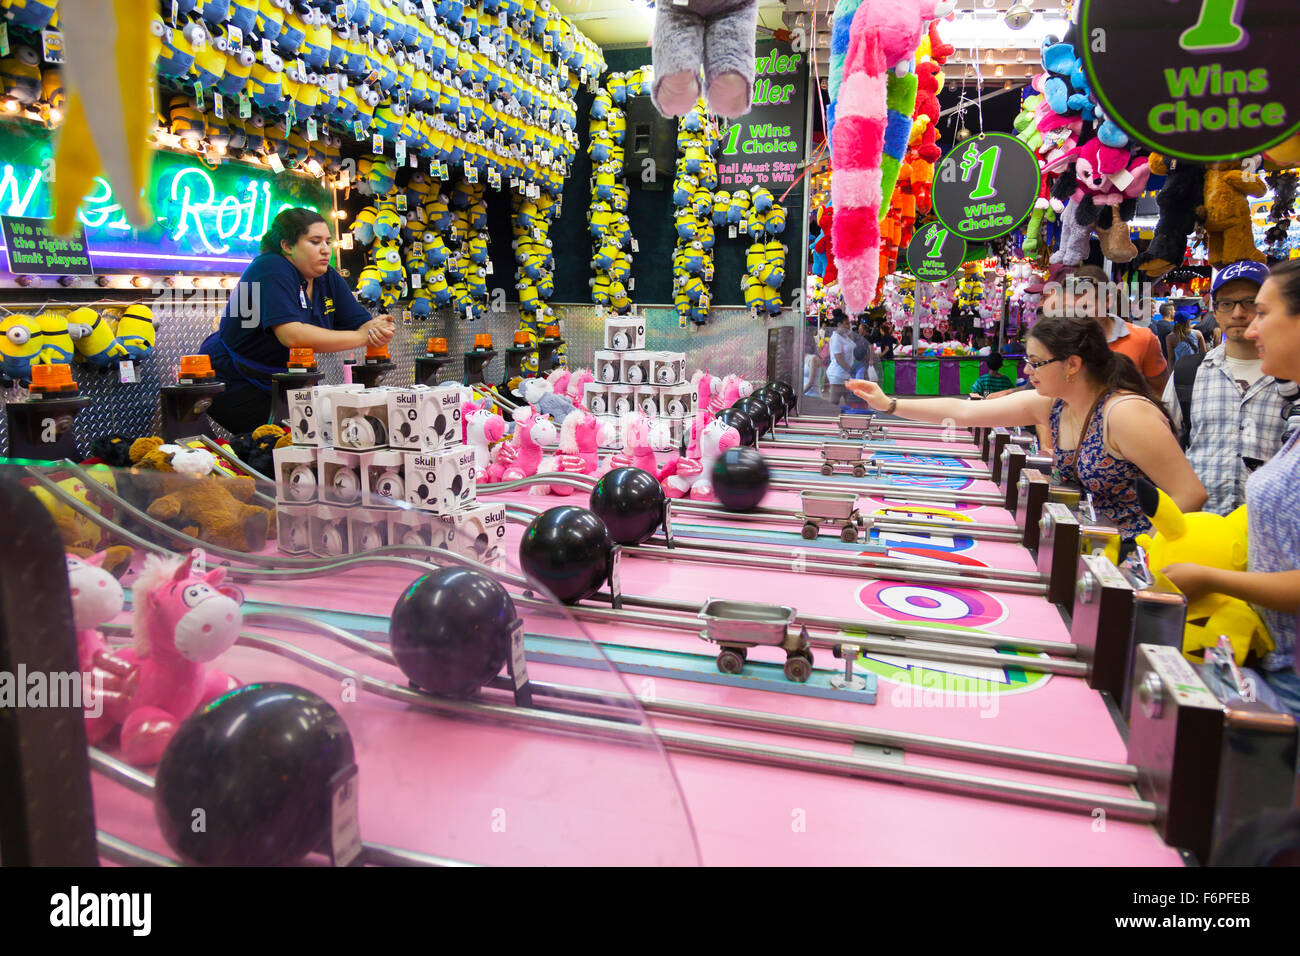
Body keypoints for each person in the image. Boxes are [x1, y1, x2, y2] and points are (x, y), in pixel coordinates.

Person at [846, 314, 1206, 552]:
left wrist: (1143, 556)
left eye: (1035, 362)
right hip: (1096, 552)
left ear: (1073, 365)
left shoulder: (1125, 414)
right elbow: (966, 410)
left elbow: (1190, 493)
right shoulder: (1054, 404)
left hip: (1139, 558)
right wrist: (890, 404)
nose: (1027, 371)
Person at [1163, 260, 1300, 718]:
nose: (1247, 321)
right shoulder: (1192, 370)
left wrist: (1212, 577)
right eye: (1230, 305)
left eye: (1259, 309)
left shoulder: (1288, 393)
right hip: (1263, 644)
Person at [200, 208, 395, 433]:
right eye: (315, 241)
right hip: (231, 378)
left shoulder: (327, 276)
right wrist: (363, 336)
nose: (325, 250)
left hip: (285, 380)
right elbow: (292, 335)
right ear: (287, 246)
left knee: (310, 439)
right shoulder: (269, 266)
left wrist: (381, 327)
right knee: (283, 444)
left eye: (328, 242)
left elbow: (364, 324)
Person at [1163, 260, 1300, 515]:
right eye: (1227, 303)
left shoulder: (1290, 376)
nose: (1238, 313)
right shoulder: (1189, 373)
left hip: (1270, 530)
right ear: (1215, 310)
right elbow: (1167, 449)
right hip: (1200, 529)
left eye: (1251, 303)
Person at [1051, 264, 1169, 394]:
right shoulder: (1061, 342)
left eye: (1085, 307)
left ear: (1107, 301)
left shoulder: (1143, 339)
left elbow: (1160, 390)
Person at [824, 311, 855, 405]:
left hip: (846, 374)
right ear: (839, 324)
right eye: (846, 323)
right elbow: (839, 359)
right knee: (834, 403)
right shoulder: (836, 338)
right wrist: (852, 371)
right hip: (837, 375)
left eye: (849, 323)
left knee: (851, 403)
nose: (849, 326)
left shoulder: (845, 336)